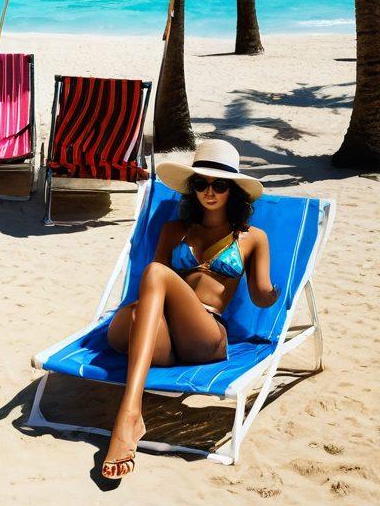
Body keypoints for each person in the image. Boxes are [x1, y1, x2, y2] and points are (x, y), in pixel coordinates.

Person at [100, 140, 279, 479]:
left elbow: (260, 295)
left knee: (156, 272)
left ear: (234, 190)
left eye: (219, 185)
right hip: (164, 338)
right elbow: (153, 288)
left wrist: (274, 294)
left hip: (205, 336)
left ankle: (129, 413)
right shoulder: (174, 230)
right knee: (139, 307)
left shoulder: (253, 237)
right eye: (200, 183)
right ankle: (131, 411)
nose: (209, 192)